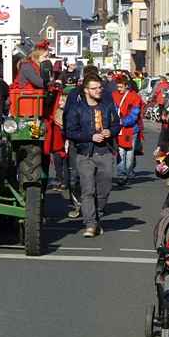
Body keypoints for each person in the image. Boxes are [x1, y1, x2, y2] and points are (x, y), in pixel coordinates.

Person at [64, 73, 121, 237]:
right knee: (87, 190)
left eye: (100, 87)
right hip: (85, 154)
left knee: (104, 189)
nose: (98, 91)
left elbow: (117, 124)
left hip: (105, 153)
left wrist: (110, 131)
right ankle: (90, 224)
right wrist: (90, 136)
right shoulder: (77, 108)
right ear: (86, 90)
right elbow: (70, 131)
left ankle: (97, 215)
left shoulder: (107, 105)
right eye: (94, 88)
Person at [112, 74, 143, 186]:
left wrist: (123, 121)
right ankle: (121, 175)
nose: (118, 89)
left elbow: (135, 113)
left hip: (131, 129)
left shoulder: (135, 97)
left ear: (126, 86)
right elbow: (113, 110)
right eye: (117, 86)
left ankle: (128, 172)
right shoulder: (114, 95)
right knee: (120, 152)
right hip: (119, 129)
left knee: (129, 153)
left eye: (120, 86)